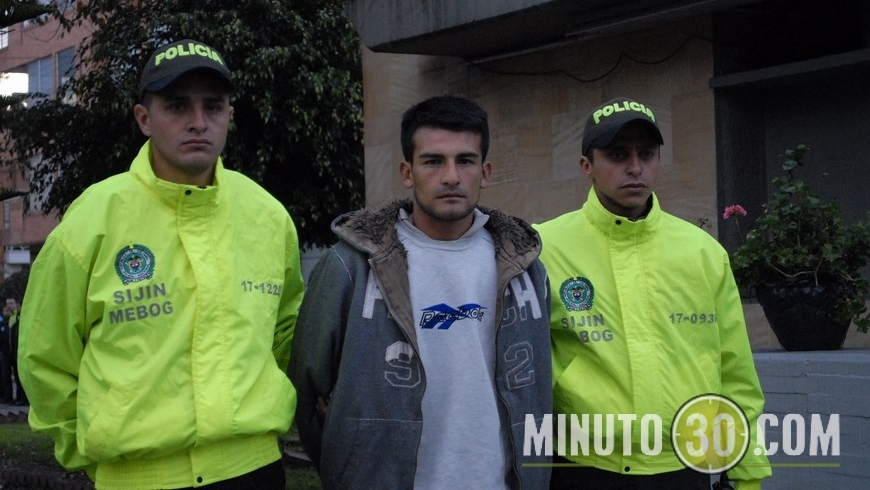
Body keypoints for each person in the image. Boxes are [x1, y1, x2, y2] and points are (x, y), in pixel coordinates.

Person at [18, 39, 304, 490]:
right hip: (138, 478)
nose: (198, 122)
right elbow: (45, 356)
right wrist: (91, 453)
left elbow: (285, 335)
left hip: (254, 470)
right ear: (144, 118)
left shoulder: (268, 217)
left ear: (230, 115)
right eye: (177, 105)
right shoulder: (92, 221)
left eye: (213, 106)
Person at [288, 95, 552, 489]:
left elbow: (538, 391)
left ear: (486, 171)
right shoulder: (350, 265)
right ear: (407, 172)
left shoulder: (525, 266)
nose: (451, 177)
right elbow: (308, 390)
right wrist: (350, 468)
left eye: (465, 161)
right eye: (433, 161)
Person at [534, 97, 771, 490]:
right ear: (586, 165)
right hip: (583, 467)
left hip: (685, 466)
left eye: (646, 154)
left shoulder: (703, 252)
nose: (635, 167)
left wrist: (747, 473)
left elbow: (735, 371)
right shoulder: (543, 248)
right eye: (617, 155)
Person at [6, 297, 27, 406]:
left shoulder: (19, 317)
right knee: (17, 376)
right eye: (7, 303)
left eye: (11, 303)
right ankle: (19, 397)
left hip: (19, 352)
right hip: (12, 352)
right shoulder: (10, 318)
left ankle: (24, 398)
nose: (9, 306)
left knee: (21, 376)